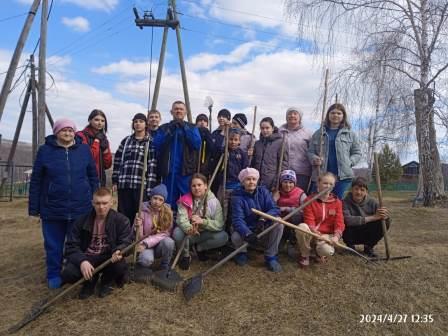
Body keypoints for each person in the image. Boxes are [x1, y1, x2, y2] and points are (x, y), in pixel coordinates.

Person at [29, 118, 98, 289]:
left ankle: (73, 271)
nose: (67, 133)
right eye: (63, 130)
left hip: (80, 206)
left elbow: (92, 176)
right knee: (53, 244)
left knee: (77, 243)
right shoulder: (45, 151)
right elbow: (36, 180)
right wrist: (34, 208)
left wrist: (94, 199)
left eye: (70, 130)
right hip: (52, 207)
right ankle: (53, 273)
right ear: (56, 132)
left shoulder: (83, 150)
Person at [62, 187, 132, 299]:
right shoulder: (81, 221)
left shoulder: (122, 221)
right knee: (68, 273)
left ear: (112, 203)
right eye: (98, 203)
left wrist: (119, 250)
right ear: (92, 203)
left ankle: (106, 281)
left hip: (108, 257)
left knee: (120, 265)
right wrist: (82, 261)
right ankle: (89, 281)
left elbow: (126, 242)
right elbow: (71, 246)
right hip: (88, 257)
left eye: (105, 203)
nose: (101, 207)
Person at [231, 168, 283, 272]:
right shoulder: (237, 197)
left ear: (257, 180)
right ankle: (242, 252)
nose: (251, 182)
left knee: (279, 223)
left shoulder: (263, 192)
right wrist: (247, 233)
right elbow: (237, 219)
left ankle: (270, 256)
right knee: (235, 234)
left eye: (254, 179)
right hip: (247, 229)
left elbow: (274, 209)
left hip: (262, 227)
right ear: (242, 182)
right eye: (248, 179)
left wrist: (263, 219)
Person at [173, 173, 228, 270]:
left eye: (199, 185)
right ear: (190, 187)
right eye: (193, 186)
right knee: (177, 233)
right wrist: (189, 229)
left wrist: (203, 222)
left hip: (205, 233)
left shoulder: (214, 202)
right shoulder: (185, 201)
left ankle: (199, 248)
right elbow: (181, 220)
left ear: (206, 186)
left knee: (223, 236)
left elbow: (219, 224)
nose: (196, 188)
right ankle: (185, 254)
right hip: (190, 234)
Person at [153, 101, 202, 210]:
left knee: (187, 201)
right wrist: (169, 131)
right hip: (169, 172)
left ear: (185, 112)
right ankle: (168, 224)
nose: (178, 111)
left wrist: (185, 128)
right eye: (176, 109)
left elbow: (197, 143)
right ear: (171, 112)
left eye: (181, 109)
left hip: (186, 172)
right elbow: (156, 144)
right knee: (168, 202)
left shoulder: (192, 127)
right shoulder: (164, 128)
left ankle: (186, 225)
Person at [308, 103, 361, 199]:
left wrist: (350, 162)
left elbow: (357, 152)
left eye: (339, 113)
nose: (335, 115)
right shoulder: (319, 134)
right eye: (332, 113)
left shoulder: (350, 134)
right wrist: (315, 159)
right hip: (322, 175)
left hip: (342, 177)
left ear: (343, 116)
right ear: (328, 115)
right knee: (317, 201)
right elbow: (310, 151)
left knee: (338, 203)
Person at [112, 113, 157, 225]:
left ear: (146, 124)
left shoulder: (150, 142)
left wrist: (150, 188)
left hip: (140, 185)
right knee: (123, 215)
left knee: (140, 215)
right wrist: (115, 180)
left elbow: (152, 166)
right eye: (135, 121)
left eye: (141, 121)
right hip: (124, 184)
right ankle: (124, 239)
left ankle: (137, 239)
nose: (138, 124)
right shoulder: (126, 141)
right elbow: (117, 161)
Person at [295, 172, 345, 267]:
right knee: (302, 227)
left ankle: (318, 253)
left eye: (331, 184)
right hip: (312, 232)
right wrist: (315, 232)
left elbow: (340, 222)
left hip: (326, 235)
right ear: (318, 183)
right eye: (325, 183)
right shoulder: (309, 200)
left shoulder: (337, 202)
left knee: (328, 251)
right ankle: (305, 254)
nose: (328, 186)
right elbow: (309, 220)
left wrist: (336, 237)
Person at [342, 177, 391, 258]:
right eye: (356, 189)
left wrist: (384, 215)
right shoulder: (344, 202)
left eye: (362, 190)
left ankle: (369, 247)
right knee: (343, 222)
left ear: (366, 192)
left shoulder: (372, 202)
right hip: (351, 233)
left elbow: (381, 217)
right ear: (351, 190)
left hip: (366, 232)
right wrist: (373, 217)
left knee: (385, 221)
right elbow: (347, 220)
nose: (358, 192)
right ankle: (350, 246)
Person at [134, 184, 175, 270]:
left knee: (169, 242)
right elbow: (140, 236)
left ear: (164, 201)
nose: (157, 202)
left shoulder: (167, 213)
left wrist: (146, 243)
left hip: (158, 244)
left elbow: (165, 233)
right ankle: (142, 263)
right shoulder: (142, 211)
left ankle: (165, 265)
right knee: (146, 260)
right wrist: (138, 226)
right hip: (145, 244)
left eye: (160, 200)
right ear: (151, 198)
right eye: (155, 198)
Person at [274, 170, 307, 257]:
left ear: (294, 183)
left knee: (296, 215)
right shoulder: (277, 193)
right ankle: (282, 238)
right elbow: (270, 208)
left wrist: (287, 209)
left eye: (290, 182)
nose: (288, 185)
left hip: (295, 222)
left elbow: (306, 210)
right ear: (281, 182)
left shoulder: (301, 194)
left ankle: (292, 242)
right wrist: (274, 200)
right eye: (285, 182)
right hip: (281, 221)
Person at [279, 107, 313, 191]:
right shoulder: (280, 132)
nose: (292, 115)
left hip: (302, 171)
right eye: (289, 114)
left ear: (300, 117)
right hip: (284, 170)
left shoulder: (308, 133)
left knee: (299, 196)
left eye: (295, 113)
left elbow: (312, 151)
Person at [250, 117, 288, 191]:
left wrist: (276, 182)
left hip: (271, 181)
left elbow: (284, 164)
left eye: (267, 128)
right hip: (256, 181)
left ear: (272, 128)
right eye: (262, 128)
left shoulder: (280, 143)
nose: (265, 130)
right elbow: (253, 163)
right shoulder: (257, 144)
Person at [77, 109, 112, 186]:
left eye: (102, 121)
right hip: (85, 179)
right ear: (89, 120)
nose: (100, 123)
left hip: (100, 180)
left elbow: (107, 165)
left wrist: (105, 150)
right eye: (96, 120)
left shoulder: (103, 139)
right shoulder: (80, 136)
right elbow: (89, 158)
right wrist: (96, 141)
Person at [196, 113, 217, 178]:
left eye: (205, 121)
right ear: (196, 123)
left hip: (205, 166)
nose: (202, 122)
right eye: (200, 120)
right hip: (193, 165)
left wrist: (207, 134)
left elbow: (212, 149)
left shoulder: (209, 135)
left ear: (207, 124)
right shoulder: (193, 133)